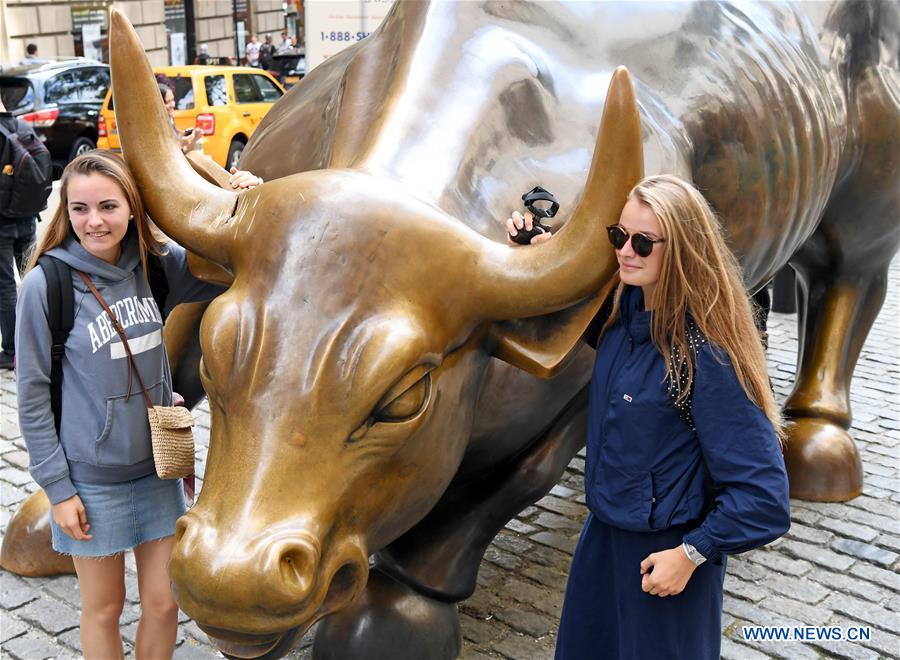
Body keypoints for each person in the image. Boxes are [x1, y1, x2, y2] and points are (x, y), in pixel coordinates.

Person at [507, 174, 790, 659]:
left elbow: (764, 498)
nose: (625, 251)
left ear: (683, 248)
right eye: (619, 236)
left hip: (665, 562)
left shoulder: (707, 357)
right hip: (602, 541)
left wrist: (690, 554)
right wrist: (535, 248)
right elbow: (573, 308)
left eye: (642, 241)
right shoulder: (624, 315)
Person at [15, 151, 261, 659]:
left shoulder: (155, 268)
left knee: (165, 604)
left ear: (132, 208)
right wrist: (58, 491)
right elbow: (33, 397)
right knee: (103, 608)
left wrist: (244, 198)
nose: (94, 221)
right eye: (80, 208)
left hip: (156, 473)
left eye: (108, 205)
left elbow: (228, 261)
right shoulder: (48, 285)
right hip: (91, 481)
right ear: (65, 210)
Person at [0, 97, 51, 370]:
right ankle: (44, 338)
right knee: (33, 277)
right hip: (27, 215)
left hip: (2, 222)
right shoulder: (21, 126)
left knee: (5, 285)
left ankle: (12, 350)